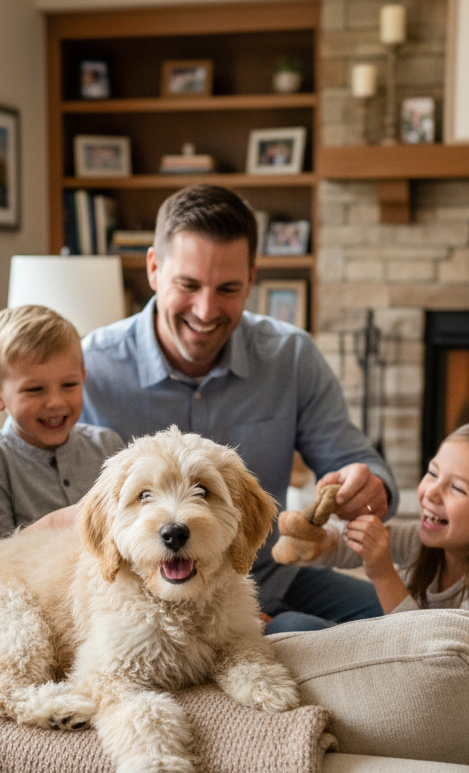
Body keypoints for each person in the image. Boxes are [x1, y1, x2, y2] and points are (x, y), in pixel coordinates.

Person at [79, 183, 399, 632]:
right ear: (154, 268)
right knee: (305, 636)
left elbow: (357, 463)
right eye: (188, 285)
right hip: (146, 603)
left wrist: (368, 487)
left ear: (251, 278)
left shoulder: (290, 356)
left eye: (227, 288)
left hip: (276, 575)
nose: (206, 310)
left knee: (412, 620)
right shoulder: (89, 368)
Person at [318, 421, 469, 663]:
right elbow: (349, 543)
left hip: (454, 692)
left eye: (458, 488)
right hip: (411, 660)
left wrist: (384, 575)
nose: (431, 492)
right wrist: (314, 540)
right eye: (432, 473)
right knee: (297, 624)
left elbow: (433, 660)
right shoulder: (429, 543)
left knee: (298, 627)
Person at [0, 304, 124, 540]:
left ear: (82, 379)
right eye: (35, 389)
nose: (55, 402)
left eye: (69, 385)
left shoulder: (107, 444)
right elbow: (0, 552)